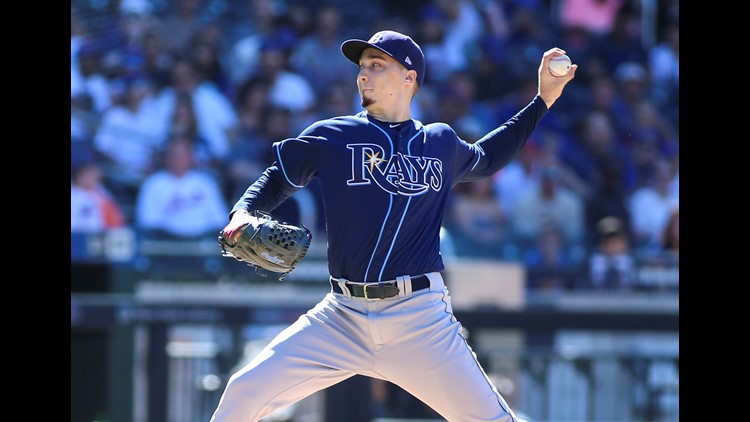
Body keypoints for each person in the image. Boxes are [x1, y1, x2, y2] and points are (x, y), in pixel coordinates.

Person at [209, 29, 576, 422]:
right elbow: (276, 179)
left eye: (376, 65)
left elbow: (488, 155)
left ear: (409, 77)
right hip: (341, 315)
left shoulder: (439, 142)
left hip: (419, 318)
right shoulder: (333, 136)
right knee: (244, 391)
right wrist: (243, 213)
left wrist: (542, 101)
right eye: (362, 66)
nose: (363, 74)